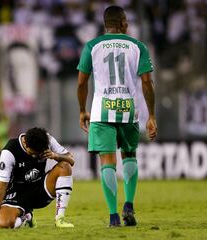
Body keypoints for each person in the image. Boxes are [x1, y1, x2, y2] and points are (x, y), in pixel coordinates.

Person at [77, 6, 157, 227]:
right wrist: (151, 115)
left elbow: (82, 82)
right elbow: (147, 82)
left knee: (107, 161)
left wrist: (83, 110)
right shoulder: (138, 46)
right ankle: (129, 205)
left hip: (101, 111)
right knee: (129, 156)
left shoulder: (92, 46)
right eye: (126, 21)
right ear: (122, 22)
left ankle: (113, 216)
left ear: (106, 24)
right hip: (128, 110)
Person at [0, 127, 75, 229]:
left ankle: (60, 219)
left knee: (65, 166)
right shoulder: (10, 151)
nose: (35, 157)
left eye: (38, 154)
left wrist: (56, 156)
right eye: (32, 154)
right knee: (2, 223)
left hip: (40, 189)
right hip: (17, 194)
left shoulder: (47, 140)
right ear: (25, 143)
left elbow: (71, 160)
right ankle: (27, 217)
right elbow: (1, 186)